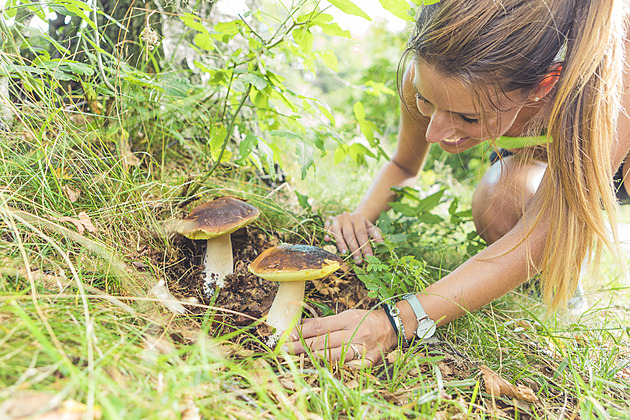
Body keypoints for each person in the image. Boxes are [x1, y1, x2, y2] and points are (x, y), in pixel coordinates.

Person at [283, 0, 630, 367]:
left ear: (543, 86)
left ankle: (565, 276)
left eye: (467, 117)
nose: (434, 133)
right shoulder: (430, 71)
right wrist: (357, 220)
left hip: (613, 149)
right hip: (541, 158)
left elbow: (545, 229)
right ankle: (545, 279)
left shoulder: (610, 73)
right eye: (425, 101)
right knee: (500, 200)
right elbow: (404, 163)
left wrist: (396, 322)